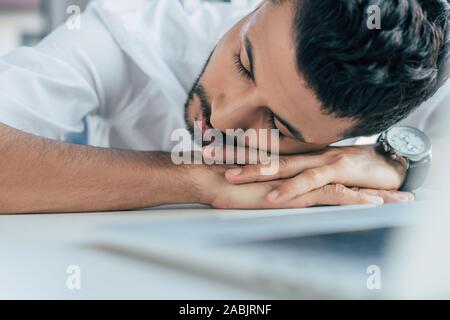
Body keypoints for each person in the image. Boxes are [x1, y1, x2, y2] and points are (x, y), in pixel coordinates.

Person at [0, 0, 448, 213]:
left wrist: (399, 162)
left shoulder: (401, 85)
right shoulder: (127, 32)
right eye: (244, 63)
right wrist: (195, 180)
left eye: (277, 123)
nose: (223, 116)